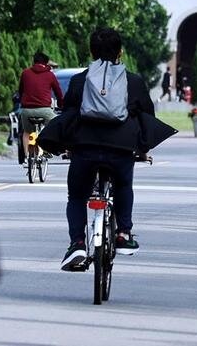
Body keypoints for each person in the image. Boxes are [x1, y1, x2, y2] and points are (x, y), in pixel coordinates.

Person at [49, 27, 168, 271]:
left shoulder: (79, 80)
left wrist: (69, 146)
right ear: (120, 52)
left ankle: (78, 244)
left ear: (91, 52)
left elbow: (68, 112)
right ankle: (124, 233)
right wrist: (142, 149)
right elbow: (147, 115)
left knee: (77, 196)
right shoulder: (133, 82)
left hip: (84, 148)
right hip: (121, 148)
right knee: (123, 185)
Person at [16, 52, 63, 159]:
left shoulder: (25, 73)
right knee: (54, 125)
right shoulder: (50, 75)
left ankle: (27, 157)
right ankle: (47, 149)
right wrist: (61, 104)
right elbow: (58, 93)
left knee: (27, 132)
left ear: (34, 62)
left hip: (27, 110)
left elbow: (21, 90)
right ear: (46, 63)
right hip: (44, 110)